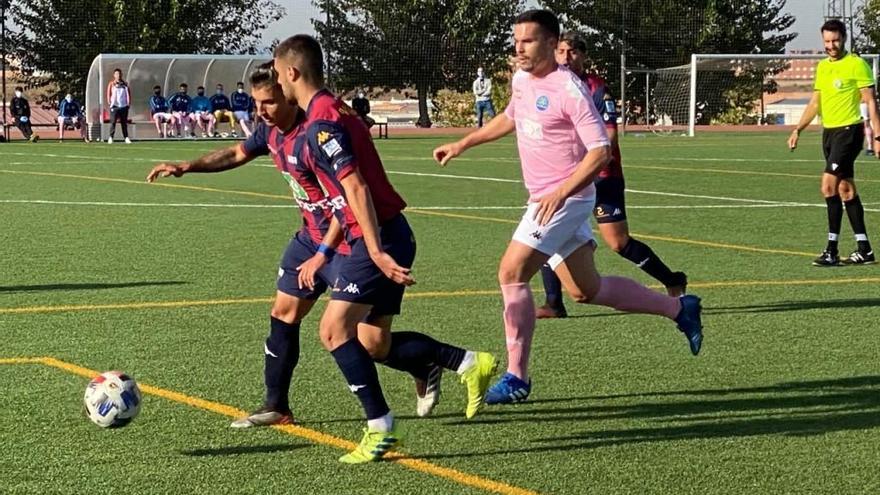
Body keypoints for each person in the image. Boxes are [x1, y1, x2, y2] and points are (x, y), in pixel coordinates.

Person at [432, 9, 703, 406]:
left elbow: (600, 151)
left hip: (566, 200)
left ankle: (516, 377)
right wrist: (462, 144)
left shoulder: (569, 89)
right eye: (516, 40)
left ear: (550, 43)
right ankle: (678, 309)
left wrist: (561, 193)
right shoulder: (522, 79)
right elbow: (510, 116)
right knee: (585, 290)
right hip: (547, 199)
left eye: (527, 40)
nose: (518, 47)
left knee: (511, 271)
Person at [273, 35, 499, 463]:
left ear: (291, 72)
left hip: (378, 235)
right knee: (374, 342)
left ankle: (380, 427)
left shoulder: (321, 123)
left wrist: (373, 250)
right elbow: (347, 192)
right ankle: (468, 362)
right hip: (384, 231)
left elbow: (355, 186)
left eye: (277, 72)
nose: (277, 84)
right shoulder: (332, 109)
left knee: (332, 331)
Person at [535, 32, 688, 319]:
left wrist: (585, 161)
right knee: (546, 227)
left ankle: (671, 279)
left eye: (573, 52)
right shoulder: (552, 88)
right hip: (567, 178)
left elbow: (609, 136)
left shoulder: (596, 89)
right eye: (562, 51)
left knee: (618, 243)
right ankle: (553, 303)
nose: (567, 57)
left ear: (584, 56)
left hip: (602, 176)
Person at [788, 19, 880, 266]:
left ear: (844, 38)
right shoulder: (822, 68)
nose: (831, 45)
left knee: (828, 186)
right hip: (829, 134)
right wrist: (798, 128)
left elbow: (871, 102)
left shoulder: (856, 64)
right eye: (827, 41)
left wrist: (878, 136)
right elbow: (815, 103)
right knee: (845, 189)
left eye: (835, 40)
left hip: (849, 131)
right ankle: (865, 249)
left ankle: (832, 249)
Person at [106, 68, 132, 144]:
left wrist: (128, 103)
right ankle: (111, 137)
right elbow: (108, 94)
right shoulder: (111, 84)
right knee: (113, 122)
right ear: (114, 75)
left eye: (119, 74)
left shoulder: (125, 84)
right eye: (117, 74)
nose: (118, 75)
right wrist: (109, 102)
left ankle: (126, 137)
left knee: (124, 123)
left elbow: (128, 94)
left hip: (123, 106)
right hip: (114, 106)